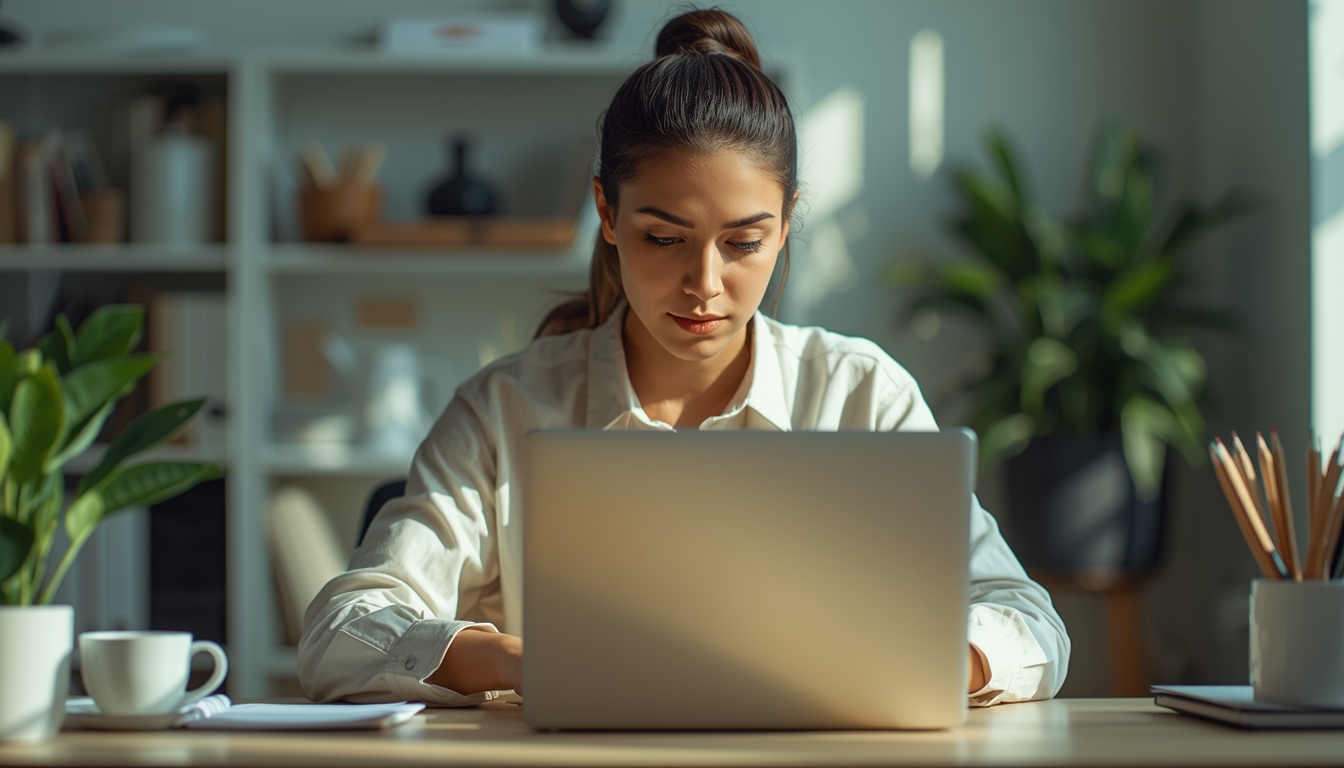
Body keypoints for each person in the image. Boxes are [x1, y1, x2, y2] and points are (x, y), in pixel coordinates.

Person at [299, 8, 1069, 708]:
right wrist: (520, 662)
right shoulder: (504, 410)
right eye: (664, 238)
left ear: (788, 219)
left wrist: (910, 661)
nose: (705, 285)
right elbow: (340, 631)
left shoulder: (859, 393)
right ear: (607, 211)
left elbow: (1032, 625)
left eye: (744, 243)